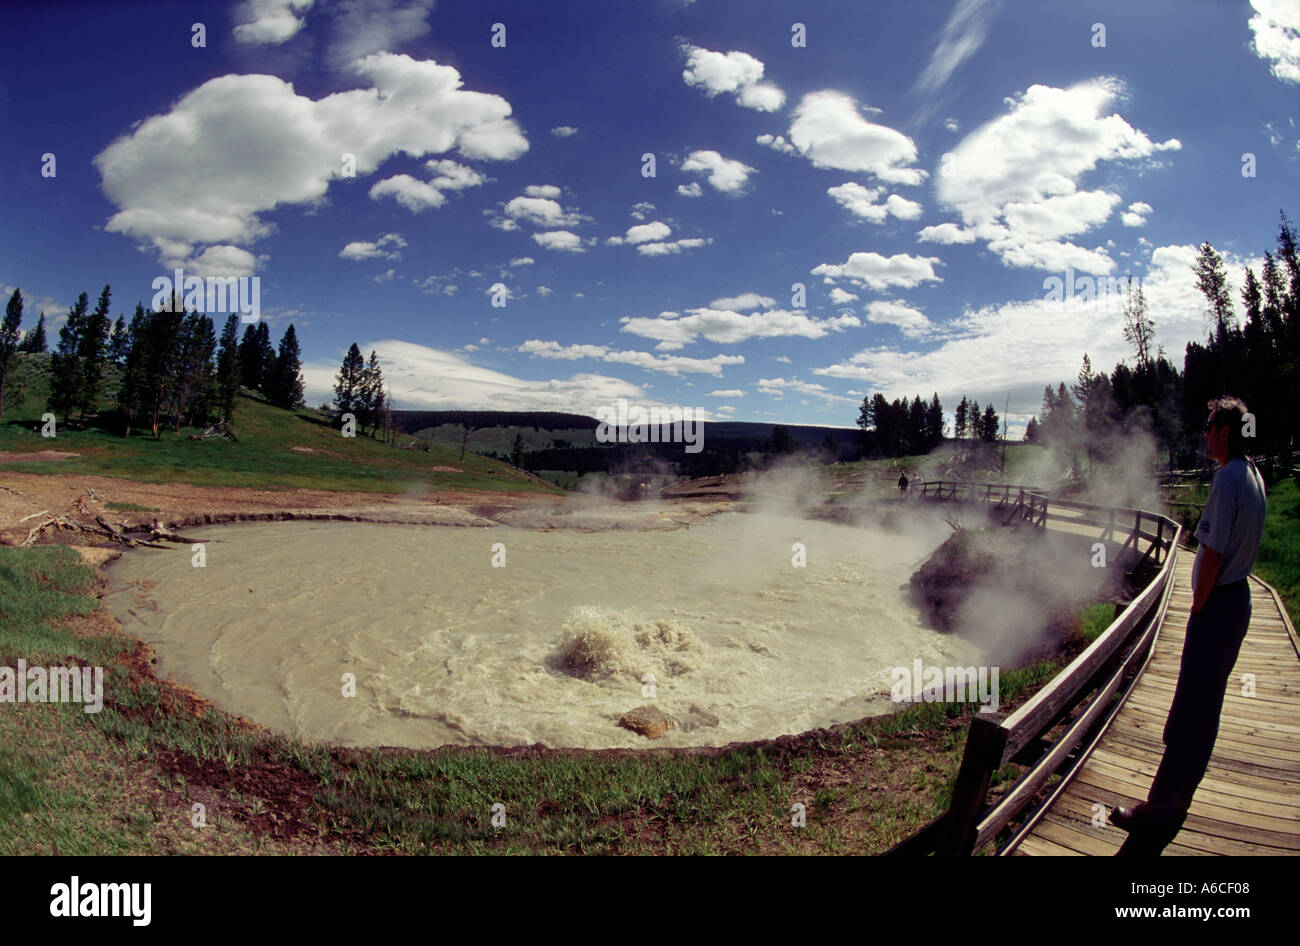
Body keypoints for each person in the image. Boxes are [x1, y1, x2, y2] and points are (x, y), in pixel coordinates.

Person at [1110, 396, 1266, 855]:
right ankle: (1177, 806)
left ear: (1224, 431)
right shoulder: (1253, 474)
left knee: (1186, 716)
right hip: (1237, 602)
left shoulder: (1226, 478)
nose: (1204, 435)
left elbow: (1213, 551)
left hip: (1216, 605)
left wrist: (1198, 603)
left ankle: (1154, 815)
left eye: (1210, 426)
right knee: (1206, 711)